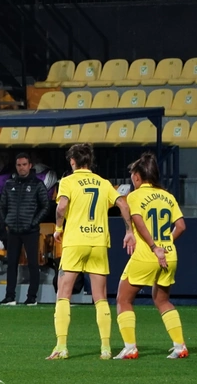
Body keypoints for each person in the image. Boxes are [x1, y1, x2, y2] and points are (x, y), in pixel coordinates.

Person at [48, 143, 133, 361]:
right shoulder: (103, 183)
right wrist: (129, 231)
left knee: (63, 294)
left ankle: (61, 347)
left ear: (73, 162)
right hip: (98, 242)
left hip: (75, 242)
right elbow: (123, 205)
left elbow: (60, 207)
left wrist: (58, 228)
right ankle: (105, 348)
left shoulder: (67, 181)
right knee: (100, 298)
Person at [113, 153, 188, 360]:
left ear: (137, 176)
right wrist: (166, 245)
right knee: (162, 300)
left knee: (123, 299)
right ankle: (180, 345)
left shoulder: (135, 196)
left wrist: (155, 246)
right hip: (169, 256)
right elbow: (181, 226)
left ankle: (130, 348)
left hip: (147, 254)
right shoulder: (167, 196)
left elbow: (137, 220)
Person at [0, 152, 50, 305]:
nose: (21, 168)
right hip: (13, 230)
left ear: (30, 165)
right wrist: (7, 221)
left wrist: (34, 222)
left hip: (31, 231)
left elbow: (45, 206)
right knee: (11, 263)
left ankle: (32, 297)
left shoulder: (37, 184)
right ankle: (10, 297)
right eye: (19, 165)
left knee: (33, 263)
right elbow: (2, 206)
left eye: (24, 165)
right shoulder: (9, 184)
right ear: (16, 166)